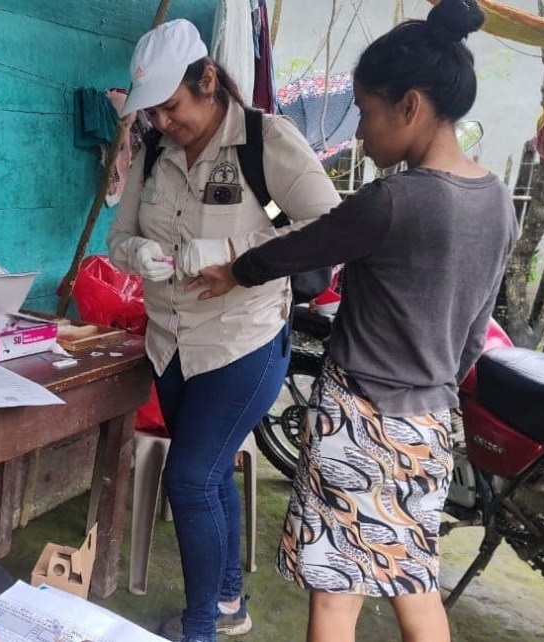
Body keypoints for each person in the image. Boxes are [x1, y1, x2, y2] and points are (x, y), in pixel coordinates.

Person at [193, 3, 516, 642]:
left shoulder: (394, 199)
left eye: (366, 113)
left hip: (359, 419)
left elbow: (303, 247)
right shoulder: (498, 202)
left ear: (411, 106)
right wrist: (434, 385)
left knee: (336, 593)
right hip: (429, 426)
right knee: (414, 581)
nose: (362, 134)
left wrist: (236, 272)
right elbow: (476, 331)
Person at [107, 18, 342, 642]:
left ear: (207, 79)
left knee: (188, 479)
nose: (162, 122)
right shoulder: (154, 151)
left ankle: (199, 627)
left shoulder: (265, 139)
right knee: (210, 474)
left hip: (242, 339)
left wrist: (234, 257)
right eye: (152, 113)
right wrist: (141, 257)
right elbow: (118, 237)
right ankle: (230, 602)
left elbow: (328, 226)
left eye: (171, 107)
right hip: (171, 344)